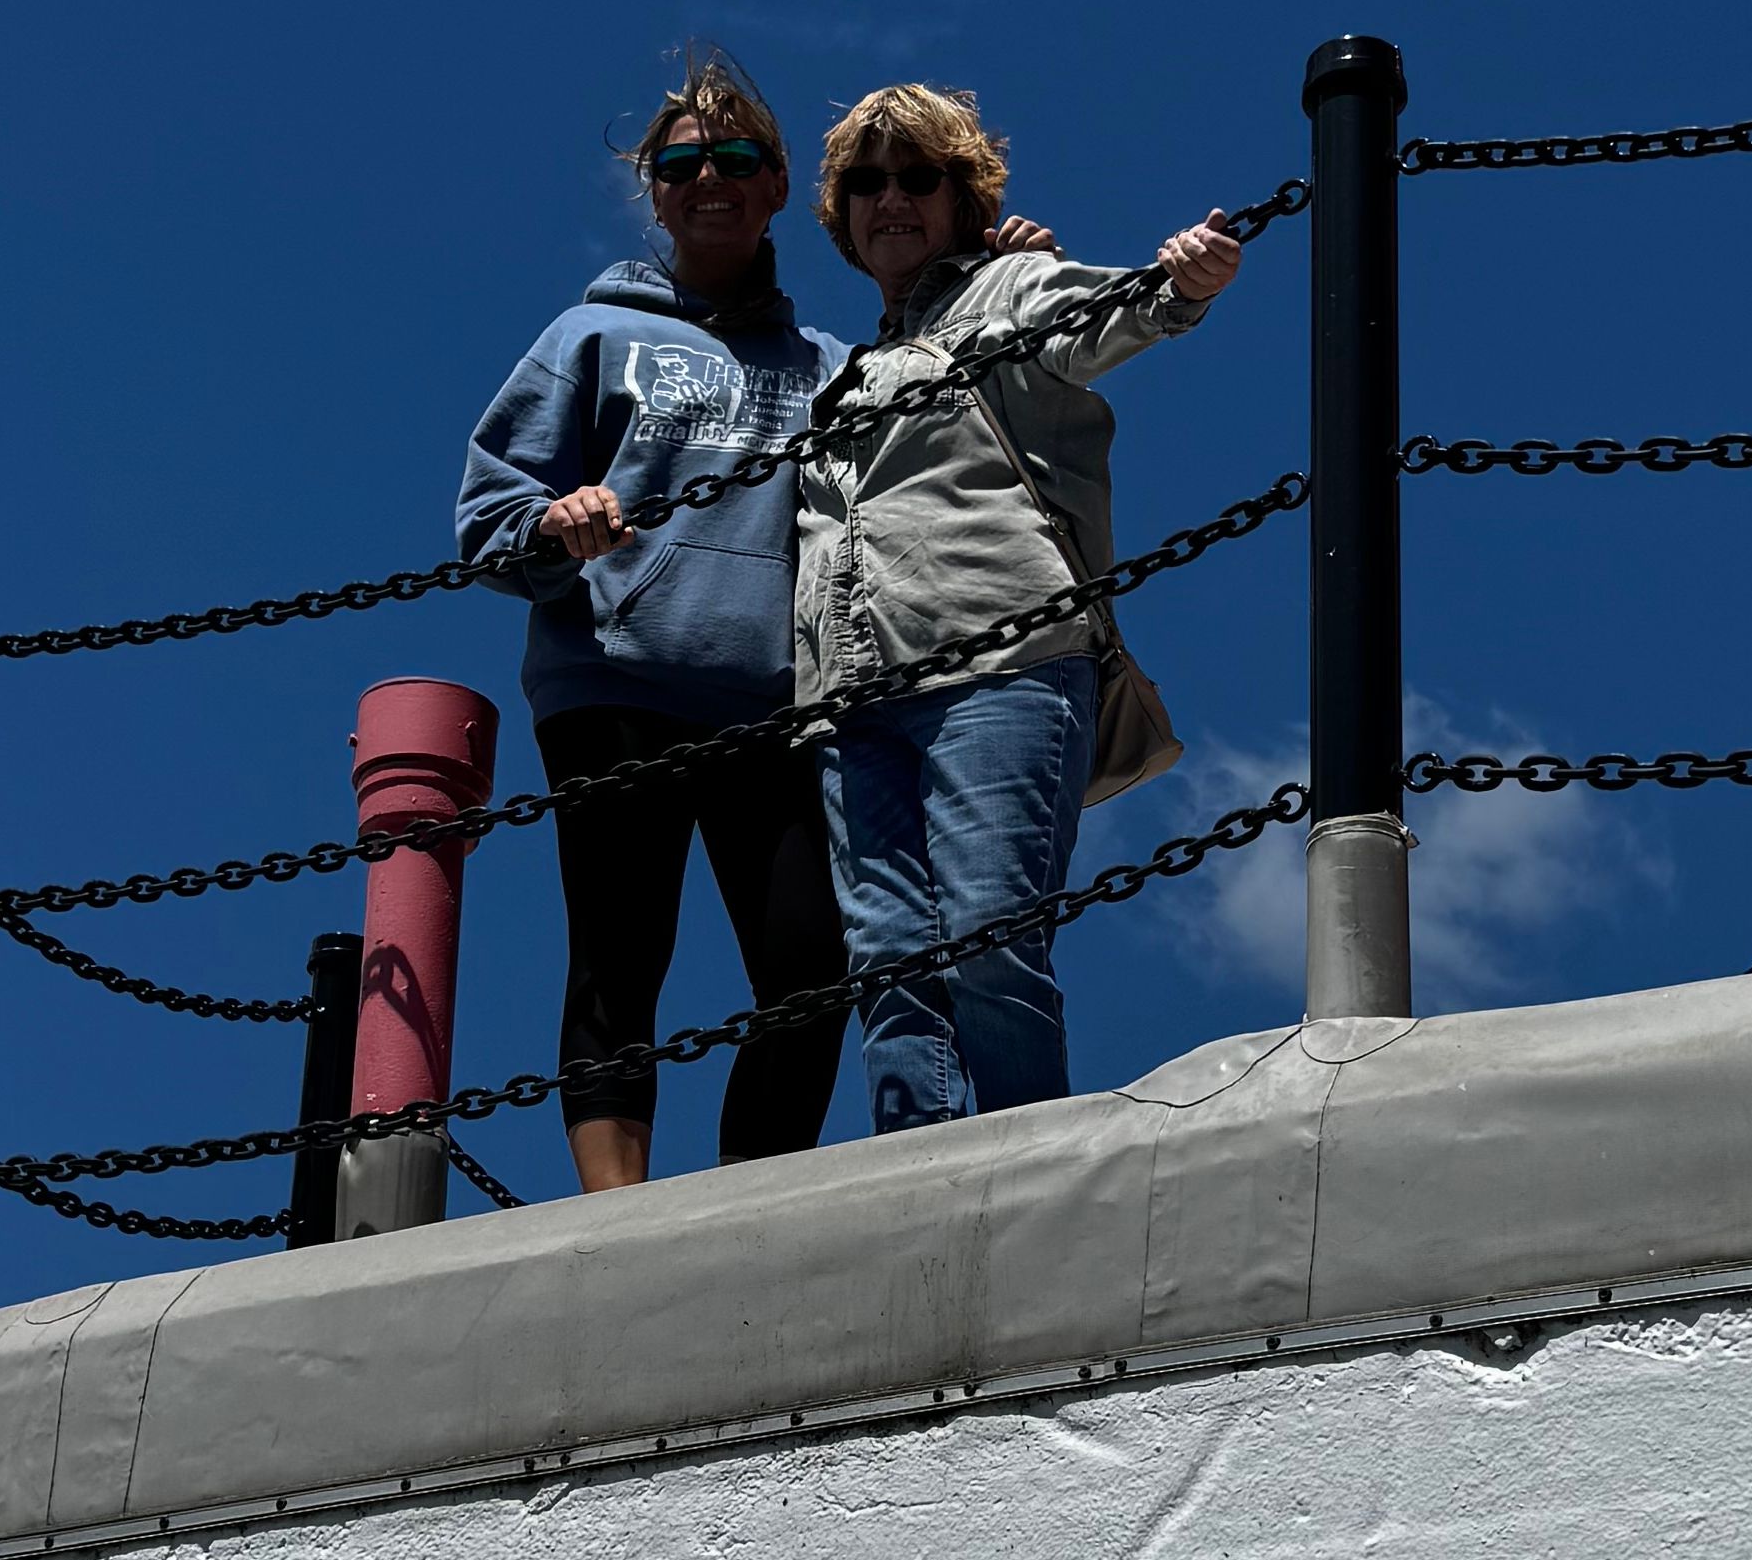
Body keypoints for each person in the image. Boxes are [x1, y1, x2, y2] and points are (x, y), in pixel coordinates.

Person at [795, 82, 1243, 1130]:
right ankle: (921, 1179)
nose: (890, 199)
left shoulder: (1010, 289)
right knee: (891, 969)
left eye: (918, 178)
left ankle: (1023, 1172)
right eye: (867, 182)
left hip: (1001, 665)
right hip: (852, 695)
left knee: (992, 936)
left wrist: (1183, 285)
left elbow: (1098, 318)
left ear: (964, 199)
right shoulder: (840, 373)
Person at [457, 59, 853, 1188]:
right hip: (614, 687)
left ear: (778, 184)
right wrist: (553, 521)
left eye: (736, 159)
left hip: (777, 705)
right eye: (682, 164)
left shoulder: (834, 368)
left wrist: (999, 265)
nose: (709, 180)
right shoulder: (585, 335)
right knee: (618, 962)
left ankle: (743, 1203)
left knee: (813, 970)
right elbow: (488, 518)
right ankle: (612, 1225)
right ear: (655, 190)